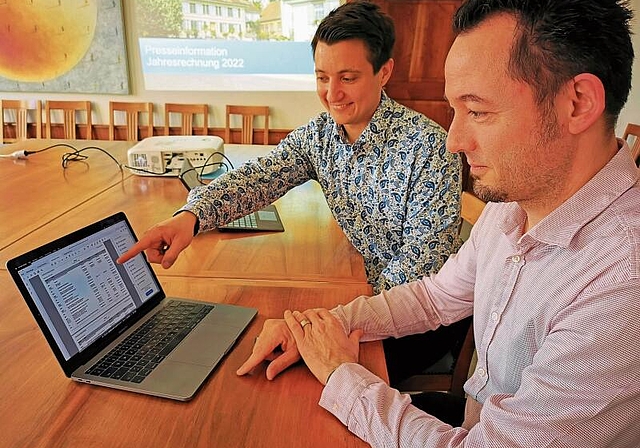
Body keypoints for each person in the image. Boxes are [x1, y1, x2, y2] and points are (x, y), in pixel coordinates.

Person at [236, 0, 640, 446]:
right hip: (471, 414)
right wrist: (319, 328)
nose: (454, 140)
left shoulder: (622, 282)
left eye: (478, 111)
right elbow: (436, 296)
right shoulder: (515, 203)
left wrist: (339, 372)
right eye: (455, 110)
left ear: (577, 103)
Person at [118, 1, 465, 384]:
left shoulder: (430, 148)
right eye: (322, 77)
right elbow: (259, 177)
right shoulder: (320, 135)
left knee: (279, 376)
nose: (332, 93)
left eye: (348, 78)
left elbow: (421, 273)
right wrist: (191, 217)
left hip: (415, 322)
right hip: (357, 296)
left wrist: (328, 324)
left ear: (384, 72)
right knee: (257, 350)